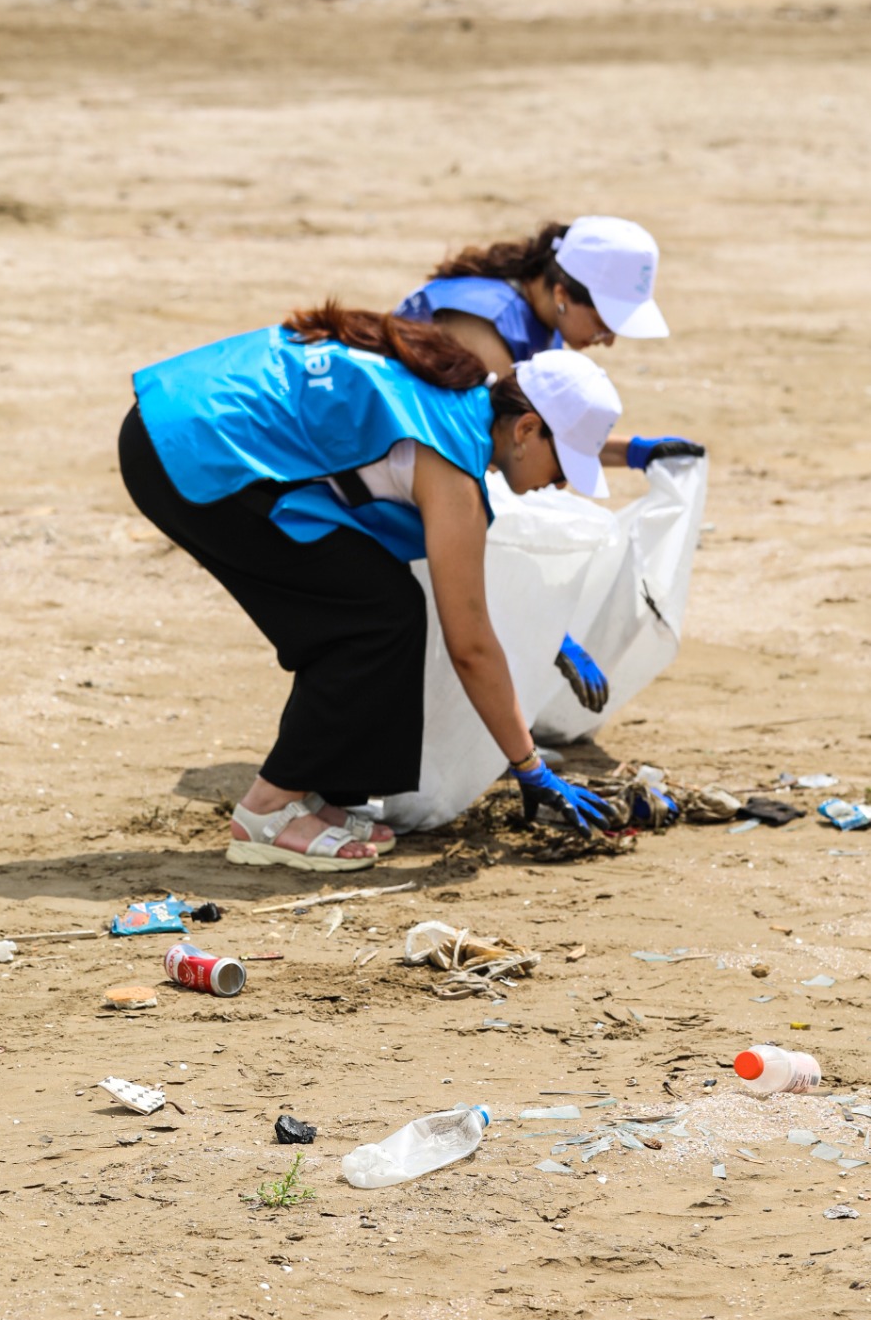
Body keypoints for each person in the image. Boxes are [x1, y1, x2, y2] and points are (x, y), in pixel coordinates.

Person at [119, 307, 622, 871]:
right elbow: (471, 646)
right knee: (370, 618)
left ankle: (328, 794)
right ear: (526, 429)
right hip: (186, 444)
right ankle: (268, 811)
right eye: (563, 468)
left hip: (179, 414)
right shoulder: (453, 464)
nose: (560, 484)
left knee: (386, 606)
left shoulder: (459, 391)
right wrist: (531, 768)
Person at [397, 215, 704, 713]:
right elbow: (491, 467)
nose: (610, 339)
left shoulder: (531, 317)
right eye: (606, 320)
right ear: (563, 290)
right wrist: (544, 624)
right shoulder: (484, 329)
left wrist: (633, 452)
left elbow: (534, 435)